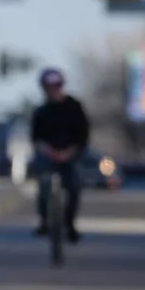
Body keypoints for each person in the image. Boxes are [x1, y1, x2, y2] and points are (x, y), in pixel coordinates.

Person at [29, 67, 90, 243]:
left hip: (70, 155)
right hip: (48, 156)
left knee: (73, 186)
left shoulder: (74, 107)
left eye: (54, 86)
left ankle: (69, 224)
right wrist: (49, 152)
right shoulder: (41, 111)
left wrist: (68, 153)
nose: (51, 91)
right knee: (44, 184)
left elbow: (83, 135)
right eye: (48, 87)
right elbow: (36, 138)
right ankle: (45, 221)